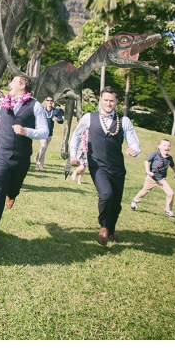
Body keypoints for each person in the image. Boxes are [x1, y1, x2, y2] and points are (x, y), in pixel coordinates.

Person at [0, 76, 50, 251]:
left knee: (13, 188)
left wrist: (26, 131)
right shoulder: (2, 102)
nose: (9, 85)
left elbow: (44, 131)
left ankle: (13, 194)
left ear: (22, 85)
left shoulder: (35, 106)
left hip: (22, 158)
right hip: (1, 154)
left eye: (12, 83)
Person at [69, 86, 140, 246]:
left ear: (116, 102)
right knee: (106, 195)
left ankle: (111, 229)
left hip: (117, 168)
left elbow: (134, 141)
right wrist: (73, 155)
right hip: (97, 166)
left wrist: (134, 149)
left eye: (112, 101)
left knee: (116, 203)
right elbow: (76, 136)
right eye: (106, 100)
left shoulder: (124, 121)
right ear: (101, 100)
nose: (108, 103)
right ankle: (104, 227)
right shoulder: (89, 117)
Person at [130, 139, 175, 217]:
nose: (167, 147)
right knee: (144, 191)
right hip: (151, 178)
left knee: (171, 193)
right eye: (164, 145)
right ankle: (134, 201)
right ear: (159, 146)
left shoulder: (169, 158)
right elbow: (147, 161)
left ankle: (168, 210)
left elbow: (174, 167)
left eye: (169, 146)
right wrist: (148, 171)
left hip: (161, 180)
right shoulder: (155, 154)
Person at [34, 96, 61, 170]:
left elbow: (61, 120)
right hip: (41, 131)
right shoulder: (42, 109)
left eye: (51, 100)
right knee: (43, 146)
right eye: (48, 100)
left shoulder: (55, 111)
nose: (49, 102)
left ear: (53, 102)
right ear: (46, 101)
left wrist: (57, 119)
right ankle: (40, 164)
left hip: (49, 133)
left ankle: (36, 159)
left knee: (44, 149)